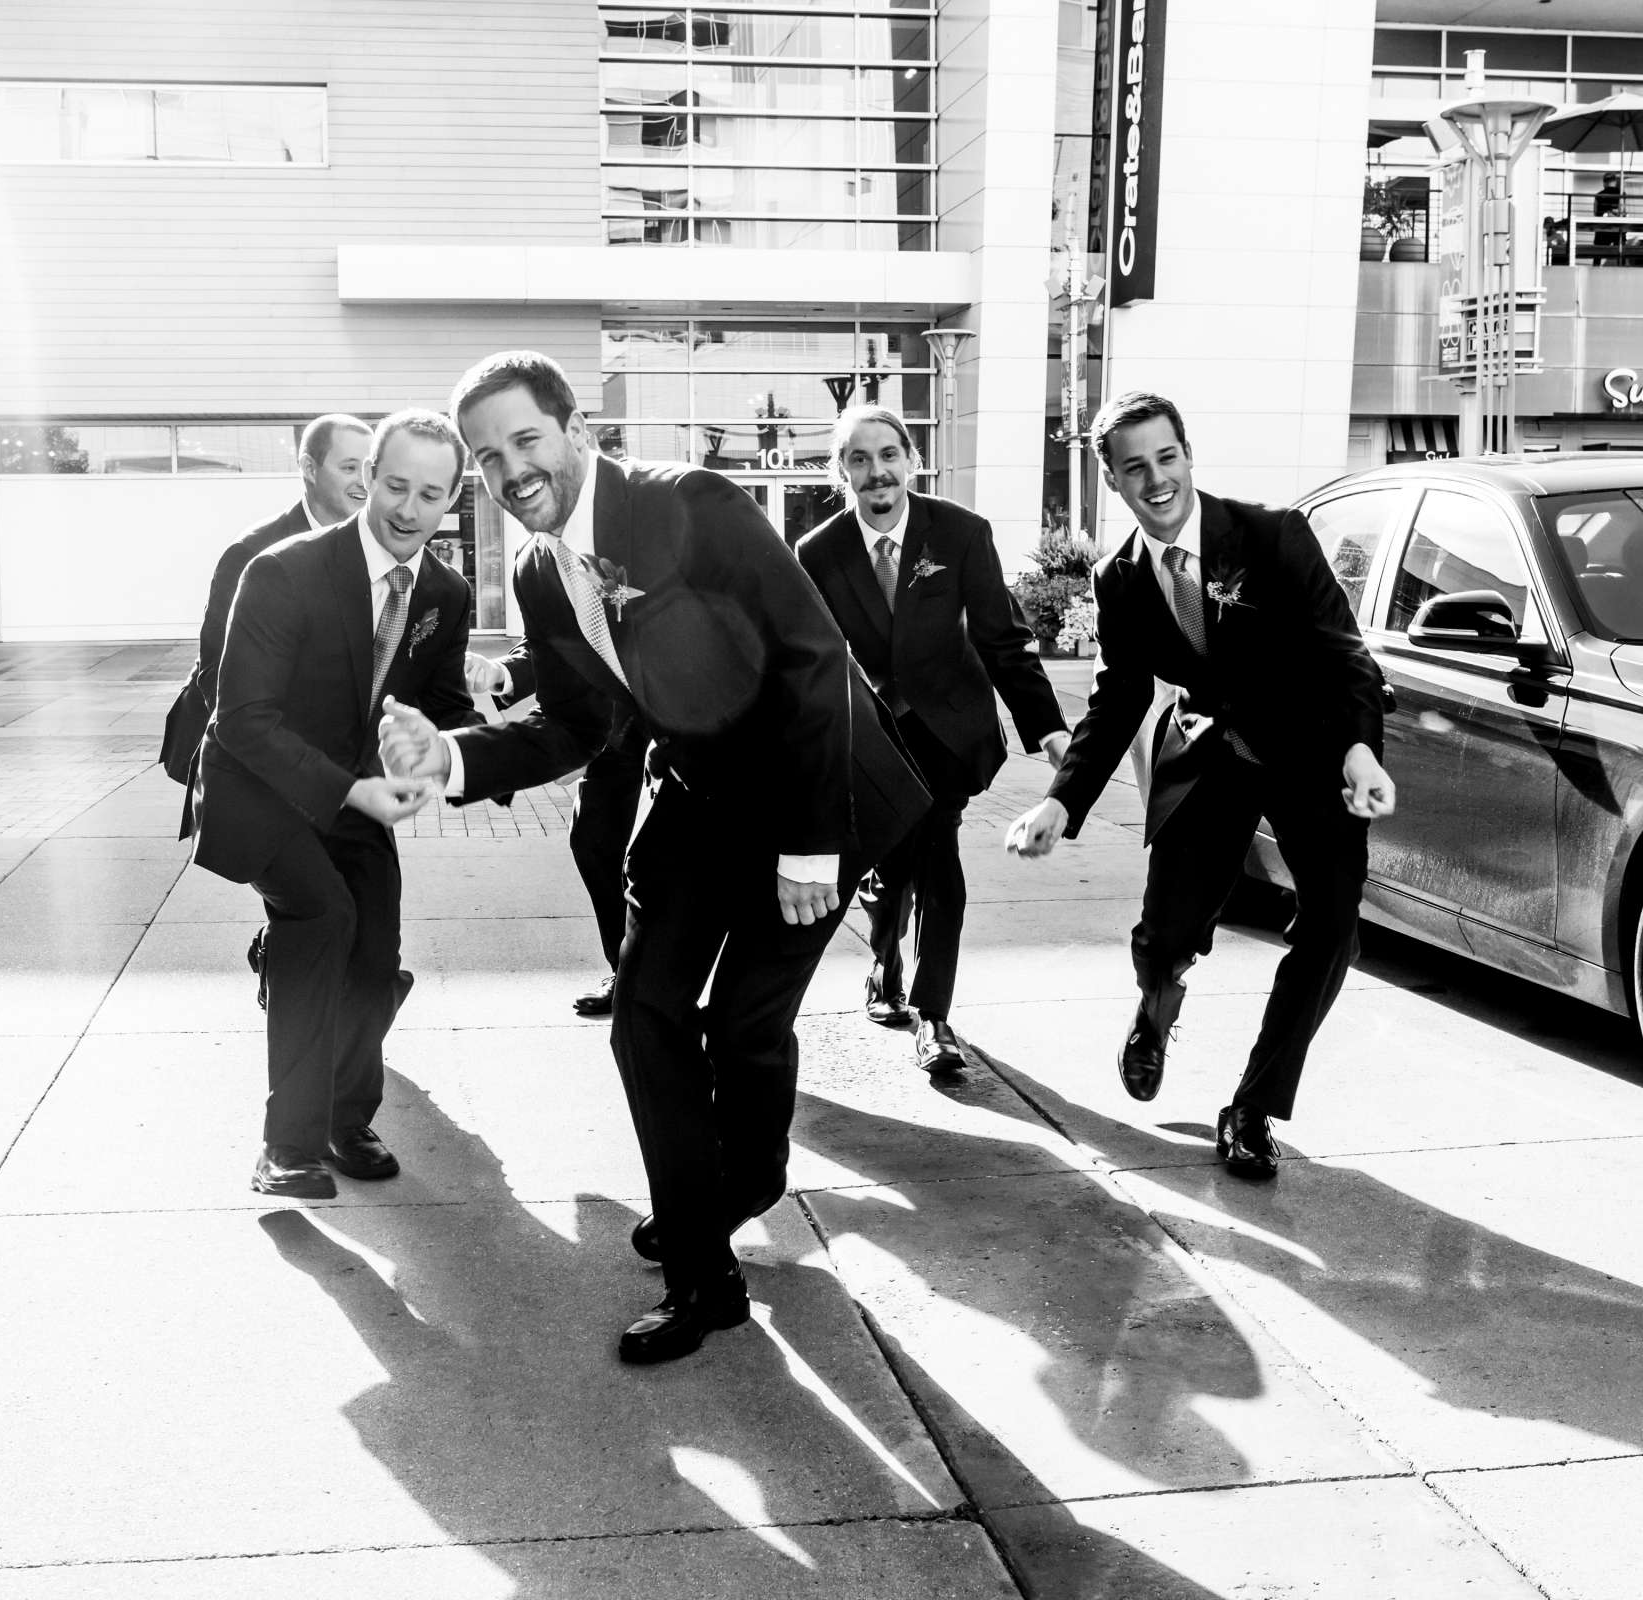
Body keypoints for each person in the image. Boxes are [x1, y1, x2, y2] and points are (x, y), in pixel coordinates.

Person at [381, 351, 926, 1363]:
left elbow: (813, 657)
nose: (512, 472)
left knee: (745, 1029)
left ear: (573, 427)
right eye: (489, 459)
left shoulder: (696, 502)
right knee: (645, 1019)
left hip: (816, 789)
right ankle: (702, 1272)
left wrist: (810, 845)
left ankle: (743, 1178)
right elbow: (580, 721)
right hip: (695, 798)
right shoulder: (541, 569)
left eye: (526, 441)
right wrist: (457, 760)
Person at [1005, 391, 1394, 1182]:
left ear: (1189, 454)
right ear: (1112, 480)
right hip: (1209, 757)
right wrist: (1060, 800)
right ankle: (1156, 1003)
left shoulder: (1271, 534)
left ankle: (1252, 1108)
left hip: (1312, 750)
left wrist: (1360, 750)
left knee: (1330, 929)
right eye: (1136, 467)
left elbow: (1343, 653)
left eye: (1167, 457)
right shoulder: (1118, 579)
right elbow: (1118, 696)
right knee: (1163, 936)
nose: (1157, 480)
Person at [190, 409, 479, 1200]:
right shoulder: (283, 570)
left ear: (452, 498)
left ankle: (347, 1121)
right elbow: (242, 719)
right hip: (260, 790)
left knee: (376, 950)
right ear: (365, 478)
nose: (407, 509)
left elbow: (445, 703)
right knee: (322, 919)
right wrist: (349, 787)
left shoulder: (445, 593)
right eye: (393, 485)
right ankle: (285, 1148)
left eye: (429, 494)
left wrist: (435, 756)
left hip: (356, 800)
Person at [794, 404, 1070, 1075]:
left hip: (949, 731)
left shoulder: (960, 533)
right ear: (842, 472)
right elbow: (812, 662)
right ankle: (883, 963)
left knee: (939, 862)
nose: (876, 471)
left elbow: (1002, 642)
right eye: (859, 459)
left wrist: (1054, 734)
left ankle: (934, 1017)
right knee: (890, 875)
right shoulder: (818, 553)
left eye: (888, 454)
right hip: (874, 740)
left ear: (911, 460)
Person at [163, 413, 373, 837]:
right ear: (309, 469)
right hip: (270, 778)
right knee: (319, 904)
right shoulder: (253, 553)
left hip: (352, 781)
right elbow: (215, 676)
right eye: (349, 467)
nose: (363, 482)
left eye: (370, 469)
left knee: (370, 901)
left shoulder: (377, 549)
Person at [465, 644, 645, 1017]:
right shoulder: (550, 584)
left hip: (679, 721)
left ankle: (662, 984)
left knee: (663, 858)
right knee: (593, 842)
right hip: (608, 727)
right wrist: (500, 672)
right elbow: (551, 636)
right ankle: (625, 972)